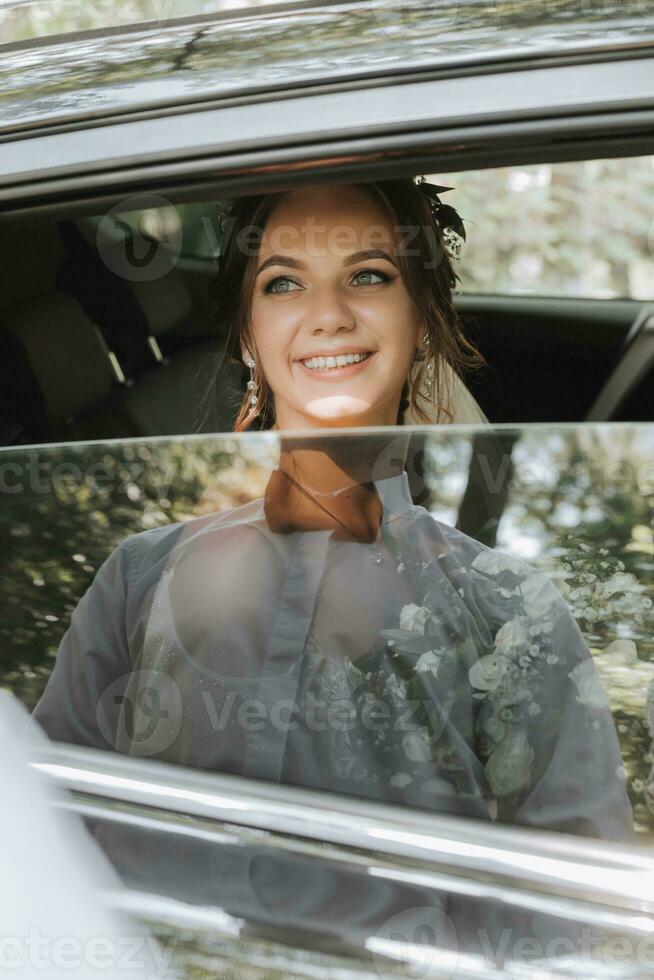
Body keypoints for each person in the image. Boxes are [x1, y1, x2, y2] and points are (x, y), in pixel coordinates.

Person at [33, 178, 633, 845]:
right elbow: (45, 819)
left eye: (369, 276)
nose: (329, 315)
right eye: (285, 284)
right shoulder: (137, 577)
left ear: (424, 323)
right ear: (248, 339)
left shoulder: (510, 606)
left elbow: (578, 883)